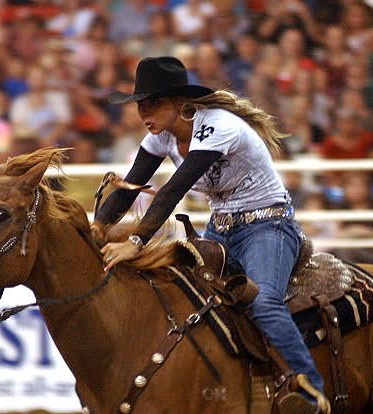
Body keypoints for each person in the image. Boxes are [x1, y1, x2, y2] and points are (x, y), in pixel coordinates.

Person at [92, 56, 328, 413]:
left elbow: (173, 189)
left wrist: (135, 243)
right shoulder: (161, 136)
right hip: (222, 229)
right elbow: (130, 186)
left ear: (179, 103)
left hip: (269, 225)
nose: (143, 112)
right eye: (140, 104)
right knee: (184, 299)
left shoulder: (218, 126)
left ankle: (312, 391)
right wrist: (96, 228)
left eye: (151, 103)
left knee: (264, 302)